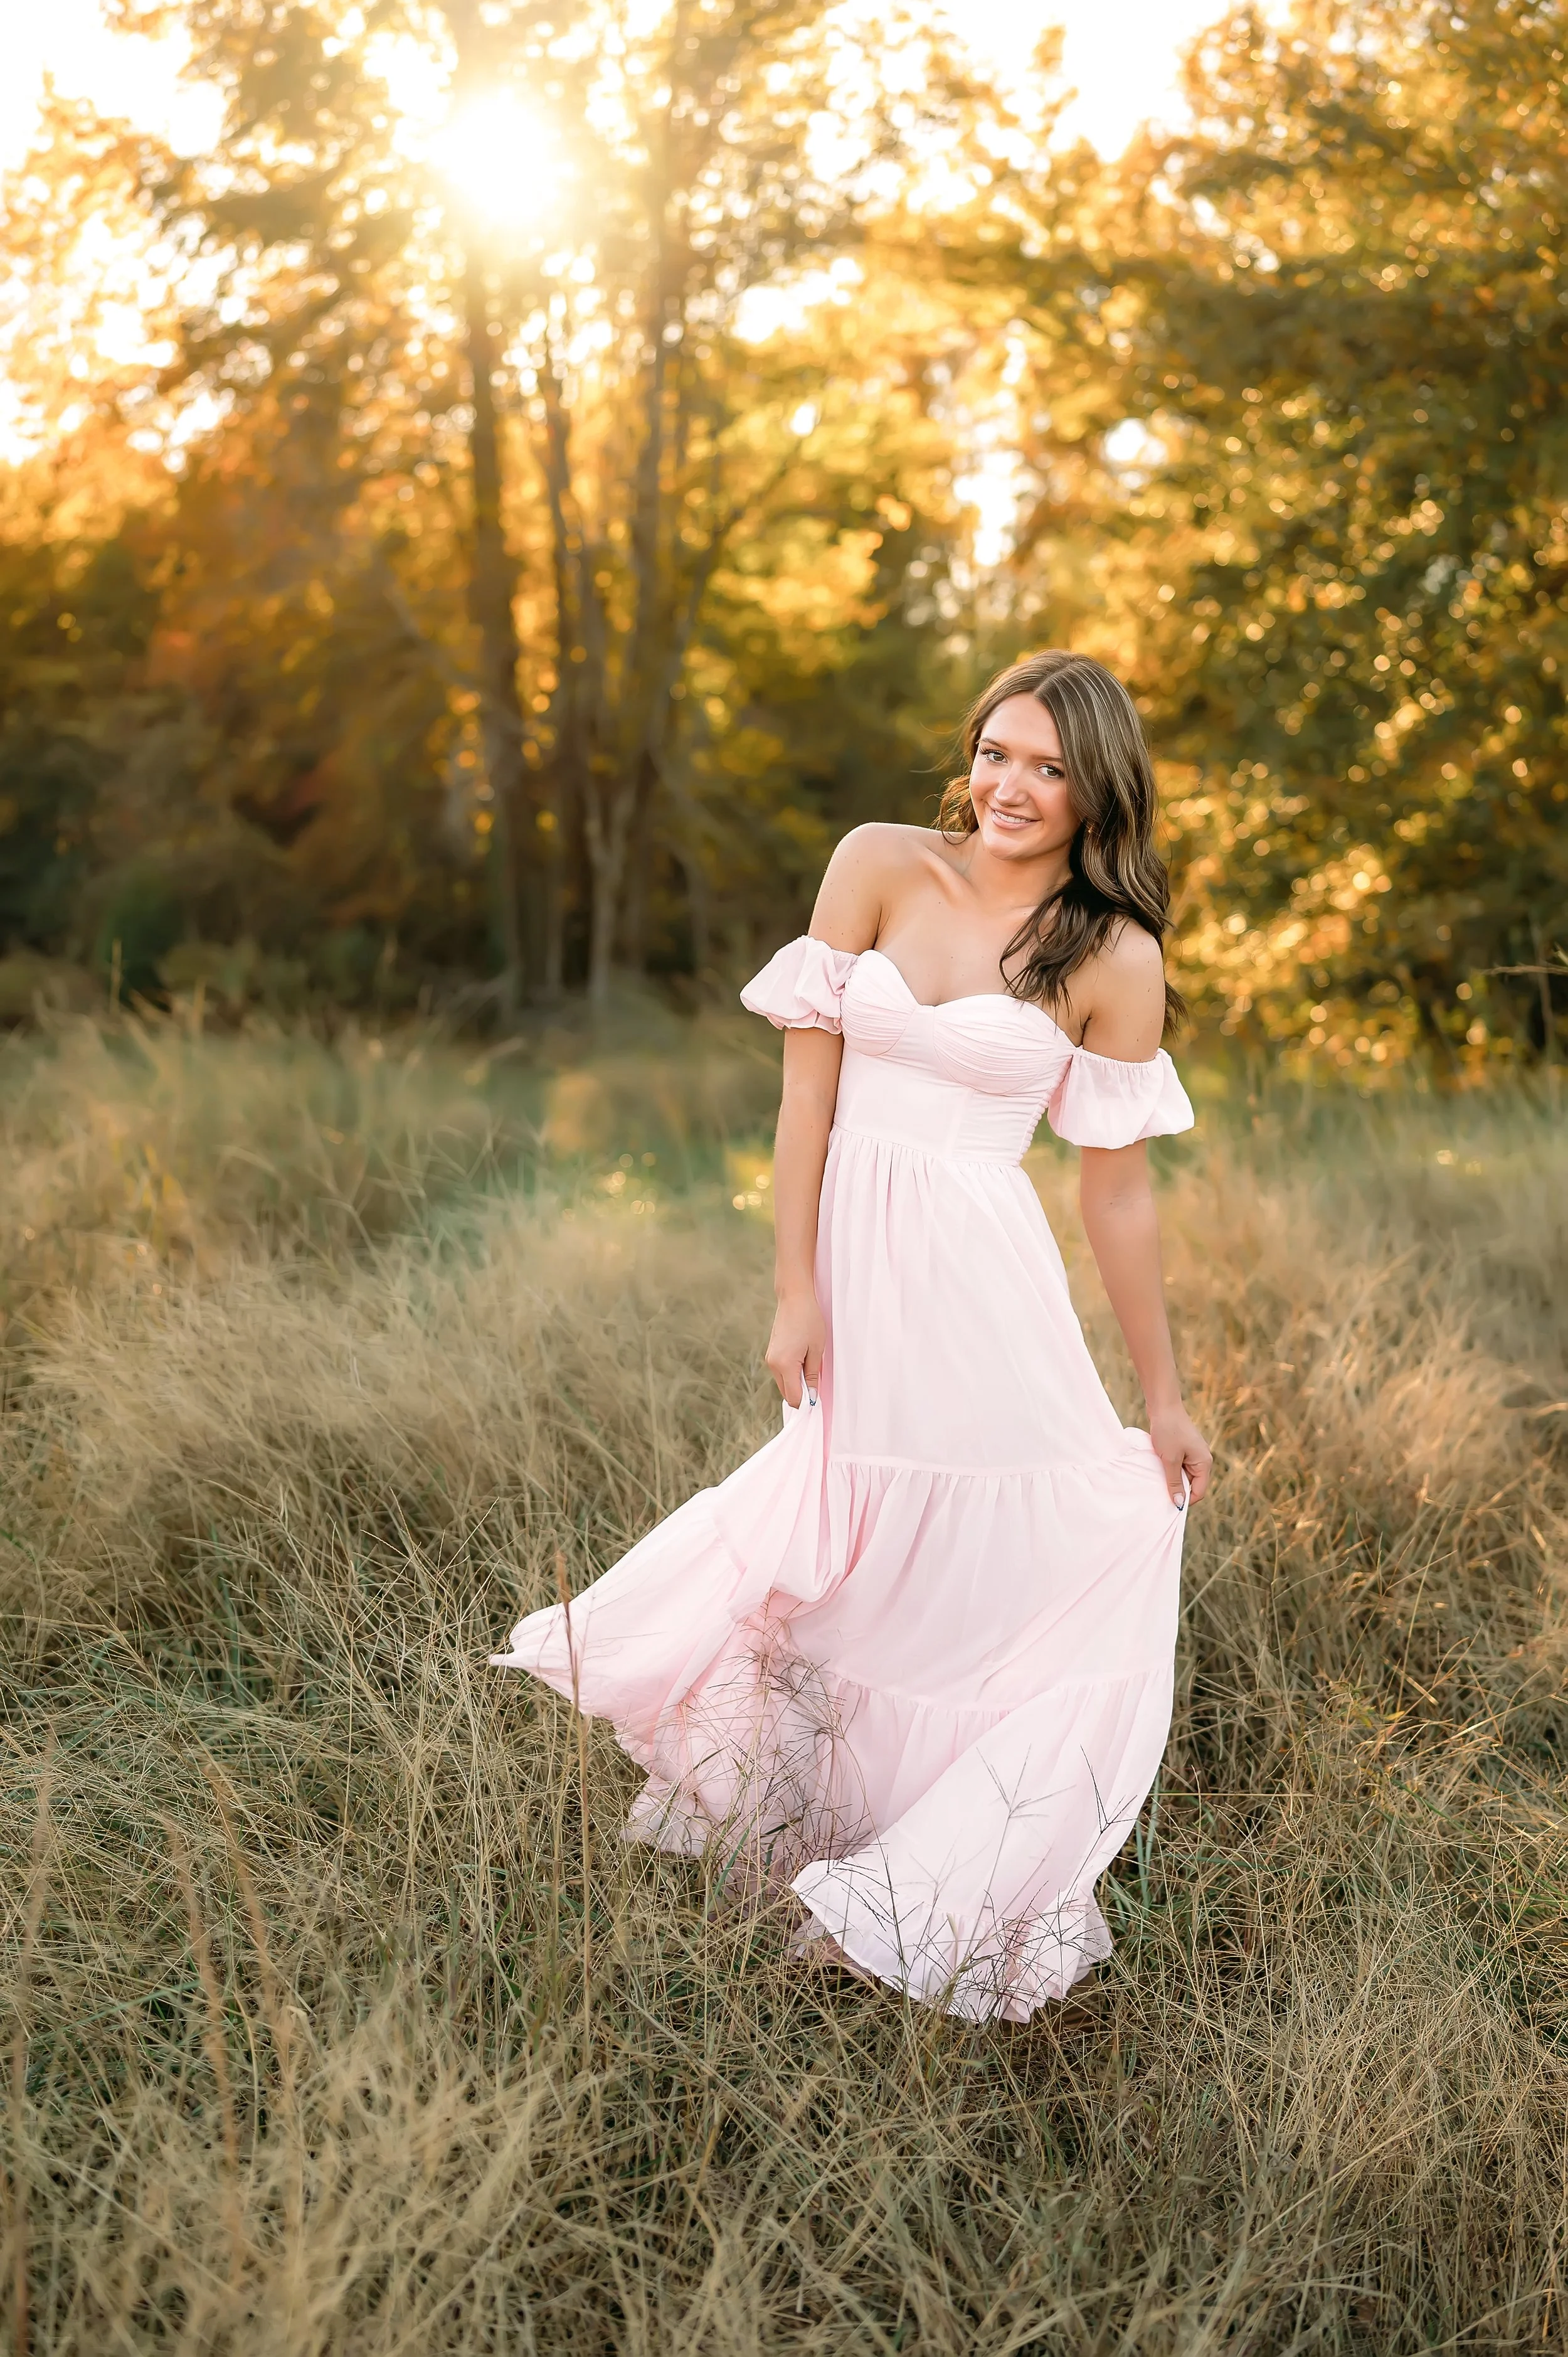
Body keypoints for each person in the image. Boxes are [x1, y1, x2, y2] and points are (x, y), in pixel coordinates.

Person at [492, 649, 1212, 2023]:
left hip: (987, 1293)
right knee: (846, 1553)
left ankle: (932, 1890)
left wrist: (1162, 1394)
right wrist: (793, 1289)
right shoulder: (878, 863)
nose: (1012, 786)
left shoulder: (1112, 953)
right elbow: (803, 1107)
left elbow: (1114, 1191)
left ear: (1096, 790)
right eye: (997, 752)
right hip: (857, 1278)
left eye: (1050, 769)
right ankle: (815, 1845)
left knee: (1018, 1565)